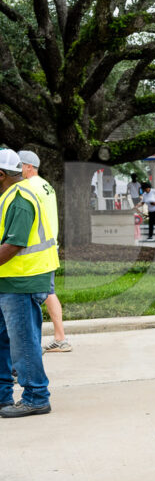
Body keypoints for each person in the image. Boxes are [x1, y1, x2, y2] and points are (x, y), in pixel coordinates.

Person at [0, 149, 59, 418]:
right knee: (5, 340)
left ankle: (36, 396)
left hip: (23, 280)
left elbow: (14, 243)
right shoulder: (8, 195)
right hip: (10, 279)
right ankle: (3, 396)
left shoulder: (20, 199)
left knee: (22, 342)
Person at [17, 151, 71, 354]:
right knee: (48, 292)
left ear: (29, 167)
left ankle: (54, 339)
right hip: (48, 246)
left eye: (19, 165)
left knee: (38, 294)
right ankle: (60, 337)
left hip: (36, 250)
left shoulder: (28, 187)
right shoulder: (46, 185)